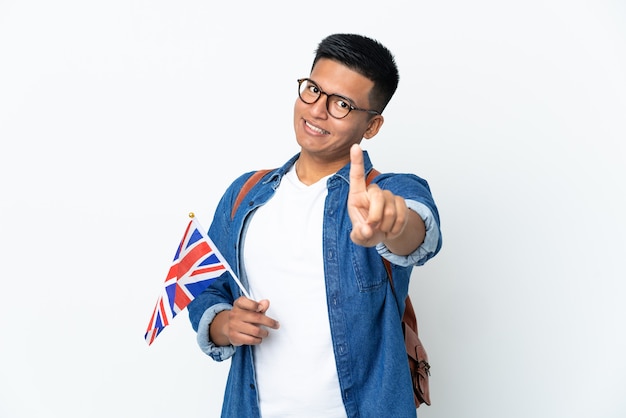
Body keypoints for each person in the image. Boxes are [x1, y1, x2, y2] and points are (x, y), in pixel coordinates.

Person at [188, 33, 442, 418]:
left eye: (342, 103)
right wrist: (223, 324)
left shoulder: (387, 191)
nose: (318, 110)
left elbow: (417, 230)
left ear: (372, 126)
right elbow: (207, 286)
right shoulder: (246, 194)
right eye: (313, 90)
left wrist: (392, 222)